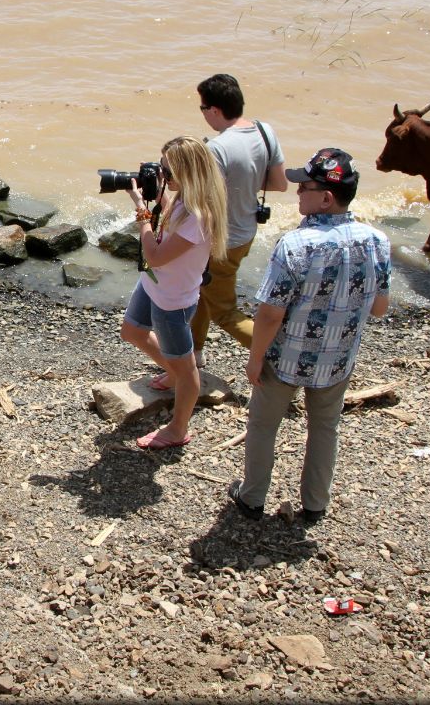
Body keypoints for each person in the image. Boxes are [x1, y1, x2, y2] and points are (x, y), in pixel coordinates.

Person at [229, 148, 390, 524]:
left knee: (263, 425)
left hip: (285, 357)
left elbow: (270, 314)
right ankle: (315, 503)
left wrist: (255, 358)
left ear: (326, 197)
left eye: (305, 187)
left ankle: (252, 498)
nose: (297, 191)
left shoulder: (295, 245)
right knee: (324, 428)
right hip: (338, 358)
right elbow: (379, 307)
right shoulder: (376, 242)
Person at [122, 136, 228, 450]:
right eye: (162, 170)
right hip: (154, 284)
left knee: (188, 370)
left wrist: (141, 212)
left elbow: (154, 253)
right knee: (132, 331)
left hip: (172, 301)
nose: (163, 177)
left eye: (167, 172)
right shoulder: (185, 198)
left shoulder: (199, 215)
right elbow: (168, 219)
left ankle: (178, 428)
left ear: (188, 172)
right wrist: (156, 197)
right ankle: (172, 372)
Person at [184, 73, 289, 376]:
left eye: (203, 108)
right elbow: (280, 183)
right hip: (247, 233)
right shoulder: (264, 131)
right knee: (203, 290)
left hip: (221, 242)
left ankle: (279, 356)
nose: (203, 114)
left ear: (214, 110)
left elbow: (202, 201)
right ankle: (195, 352)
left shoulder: (217, 148)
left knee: (225, 311)